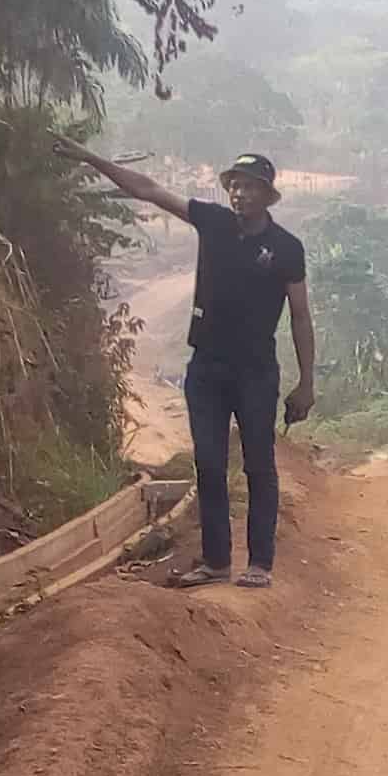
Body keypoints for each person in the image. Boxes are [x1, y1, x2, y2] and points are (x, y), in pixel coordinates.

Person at [56, 142, 314, 589]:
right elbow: (148, 189)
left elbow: (301, 315)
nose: (239, 193)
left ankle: (260, 564)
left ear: (267, 195)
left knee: (259, 466)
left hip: (256, 371)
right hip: (207, 369)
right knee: (209, 465)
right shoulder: (211, 222)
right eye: (234, 185)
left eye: (250, 187)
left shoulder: (287, 249)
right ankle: (216, 562)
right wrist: (90, 158)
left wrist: (306, 382)